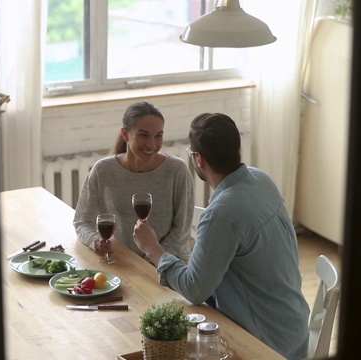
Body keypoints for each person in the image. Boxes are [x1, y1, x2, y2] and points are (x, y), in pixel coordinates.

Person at [132, 113, 310, 359]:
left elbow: (195, 290)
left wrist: (153, 248)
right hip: (295, 329)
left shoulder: (221, 214)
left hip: (267, 345)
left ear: (198, 159)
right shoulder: (261, 179)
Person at [73, 101, 194, 264]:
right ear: (125, 134)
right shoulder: (103, 170)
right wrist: (95, 241)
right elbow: (82, 221)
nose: (152, 144)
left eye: (158, 135)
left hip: (170, 266)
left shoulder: (177, 170)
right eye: (143, 135)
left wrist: (149, 260)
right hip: (124, 263)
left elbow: (181, 235)